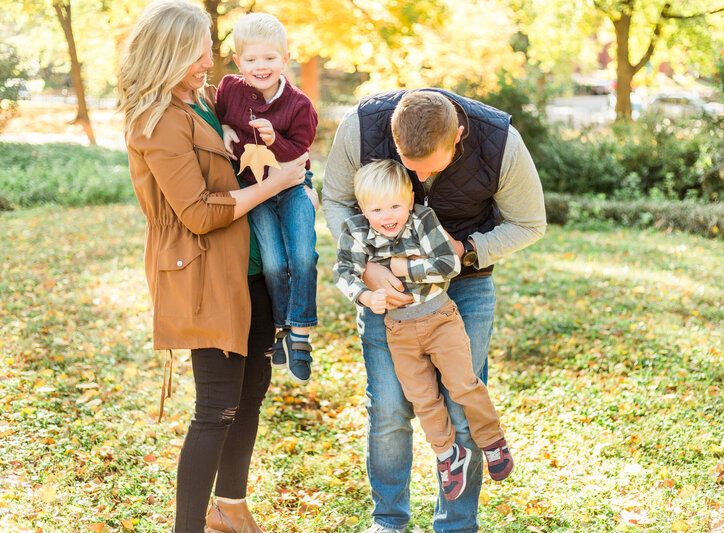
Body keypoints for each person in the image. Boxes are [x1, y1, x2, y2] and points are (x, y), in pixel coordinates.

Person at [118, 1, 308, 531]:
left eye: (209, 52)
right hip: (203, 272)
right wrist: (277, 183)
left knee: (250, 393)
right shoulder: (156, 122)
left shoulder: (203, 101)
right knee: (217, 406)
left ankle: (230, 507)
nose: (209, 63)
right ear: (169, 55)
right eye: (199, 55)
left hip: (250, 265)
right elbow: (199, 213)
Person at [322, 89, 547, 532]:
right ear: (393, 138)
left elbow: (529, 223)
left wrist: (466, 250)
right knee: (389, 407)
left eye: (431, 166)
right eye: (411, 165)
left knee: (461, 401)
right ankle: (389, 521)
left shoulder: (500, 142)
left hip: (465, 282)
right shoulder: (361, 127)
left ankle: (456, 526)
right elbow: (336, 201)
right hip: (388, 293)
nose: (420, 176)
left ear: (458, 136)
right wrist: (367, 269)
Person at [333, 159, 514, 502]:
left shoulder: (422, 220)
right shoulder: (356, 230)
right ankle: (448, 454)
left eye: (395, 206)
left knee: (462, 384)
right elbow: (343, 271)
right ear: (362, 208)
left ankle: (492, 439)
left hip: (439, 318)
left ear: (410, 200)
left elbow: (449, 263)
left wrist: (404, 267)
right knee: (422, 398)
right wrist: (366, 296)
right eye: (376, 209)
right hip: (399, 328)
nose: (387, 216)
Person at [216, 12, 319, 385]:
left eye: (270, 58)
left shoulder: (299, 105)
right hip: (254, 187)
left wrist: (276, 141)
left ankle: (301, 333)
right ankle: (281, 328)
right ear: (238, 61)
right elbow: (218, 114)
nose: (261, 66)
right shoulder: (230, 90)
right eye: (251, 59)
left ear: (285, 59)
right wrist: (225, 126)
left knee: (302, 255)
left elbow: (301, 151)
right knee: (274, 263)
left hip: (291, 184)